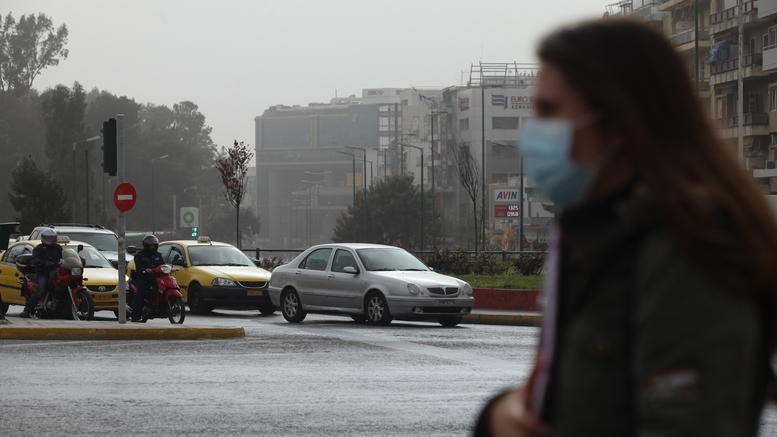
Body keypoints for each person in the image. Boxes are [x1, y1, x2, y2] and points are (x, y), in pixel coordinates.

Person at [475, 18, 777, 437]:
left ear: (617, 123)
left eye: (549, 111)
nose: (534, 131)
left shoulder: (688, 249)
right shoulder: (594, 238)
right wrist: (498, 417)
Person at [20, 228, 63, 318]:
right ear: (44, 238)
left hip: (56, 271)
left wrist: (76, 259)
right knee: (41, 291)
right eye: (49, 238)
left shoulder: (58, 247)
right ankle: (27, 311)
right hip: (43, 273)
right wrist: (42, 262)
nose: (51, 240)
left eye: (52, 238)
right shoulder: (39, 248)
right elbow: (35, 259)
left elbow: (65, 255)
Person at [131, 235, 164, 322]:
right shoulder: (139, 256)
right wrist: (145, 270)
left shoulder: (158, 255)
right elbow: (139, 268)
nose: (152, 247)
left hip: (156, 278)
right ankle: (135, 316)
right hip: (143, 278)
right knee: (140, 293)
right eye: (150, 245)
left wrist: (169, 268)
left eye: (154, 245)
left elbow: (162, 265)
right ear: (146, 246)